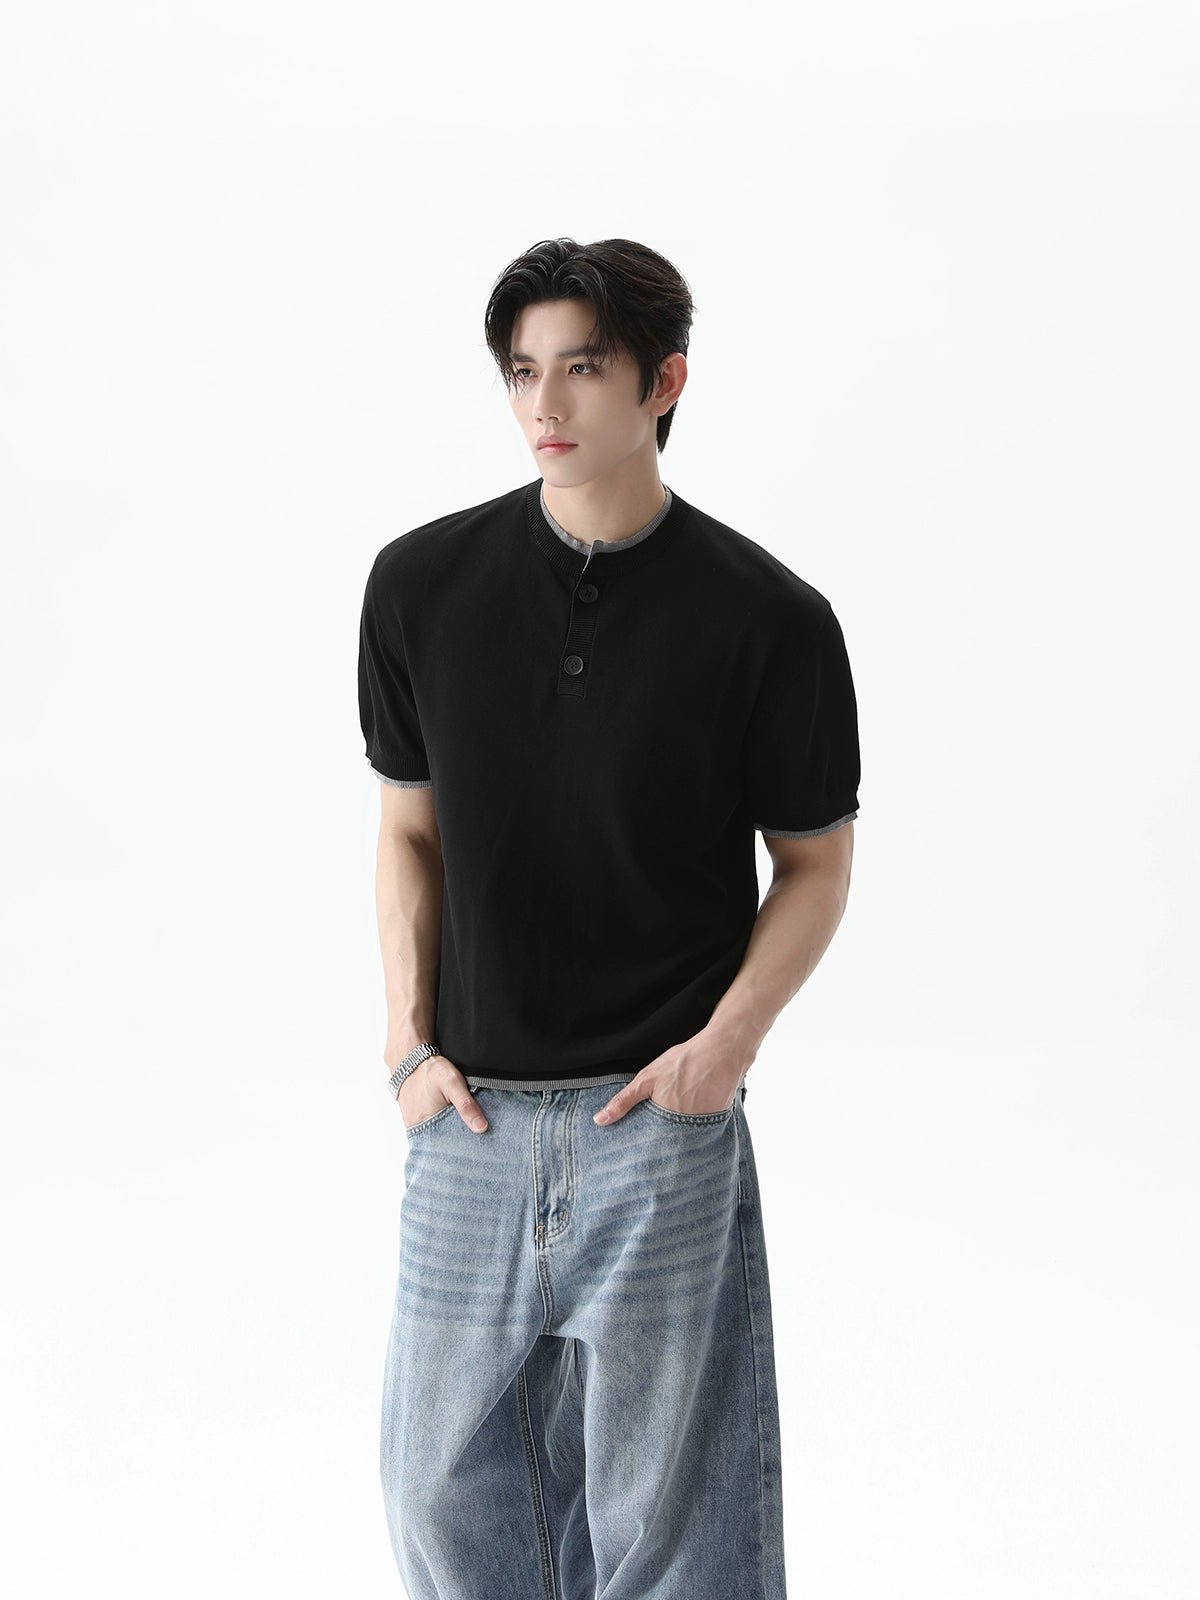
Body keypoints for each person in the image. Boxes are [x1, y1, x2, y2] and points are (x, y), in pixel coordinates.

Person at [358, 236, 861, 1600]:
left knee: (674, 1535)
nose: (547, 404)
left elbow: (814, 865)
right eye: (523, 372)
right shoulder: (419, 586)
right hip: (466, 1121)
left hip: (657, 1124)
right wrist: (408, 1045)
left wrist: (724, 1051)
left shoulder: (771, 618)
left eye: (582, 367)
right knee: (437, 1501)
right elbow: (409, 829)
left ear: (664, 382)